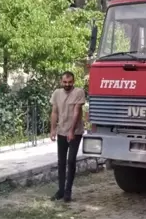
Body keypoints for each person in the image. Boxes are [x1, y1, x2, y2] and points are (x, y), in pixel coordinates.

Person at [49, 71, 87, 202]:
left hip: (75, 132)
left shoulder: (79, 92)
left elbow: (77, 113)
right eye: (65, 82)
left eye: (70, 82)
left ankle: (68, 191)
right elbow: (54, 112)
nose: (67, 84)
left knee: (71, 160)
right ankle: (60, 190)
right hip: (61, 131)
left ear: (73, 82)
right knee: (61, 162)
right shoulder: (57, 93)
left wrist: (71, 131)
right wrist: (53, 129)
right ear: (61, 82)